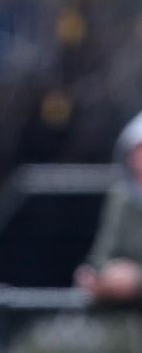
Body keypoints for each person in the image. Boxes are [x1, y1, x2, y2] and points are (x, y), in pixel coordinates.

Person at [74, 111, 142, 303]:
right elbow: (103, 254)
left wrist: (136, 280)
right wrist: (99, 276)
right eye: (136, 154)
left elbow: (132, 280)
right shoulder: (123, 199)